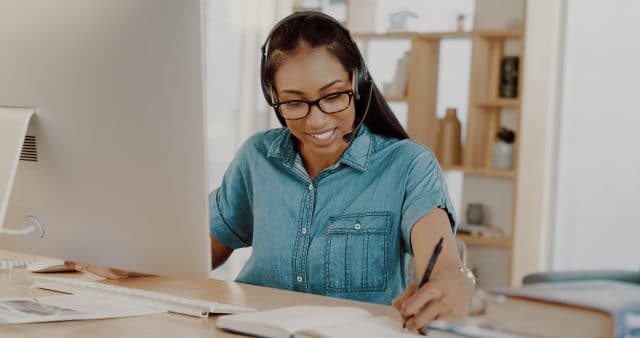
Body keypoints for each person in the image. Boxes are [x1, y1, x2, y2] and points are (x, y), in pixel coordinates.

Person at [72, 12, 475, 333]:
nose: (317, 121)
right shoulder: (257, 158)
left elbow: (442, 265)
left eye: (333, 96)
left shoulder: (408, 165)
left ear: (358, 82)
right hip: (245, 331)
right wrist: (131, 257)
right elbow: (195, 254)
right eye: (295, 103)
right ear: (273, 99)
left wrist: (456, 282)